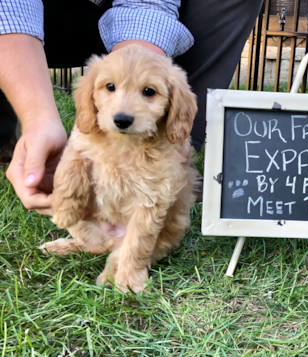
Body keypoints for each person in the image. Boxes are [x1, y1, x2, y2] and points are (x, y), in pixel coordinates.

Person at [0, 0, 264, 216]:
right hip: (30, 19)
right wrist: (38, 118)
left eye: (149, 93)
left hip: (129, 15)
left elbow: (146, 3)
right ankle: (6, 136)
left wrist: (144, 73)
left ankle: (171, 155)